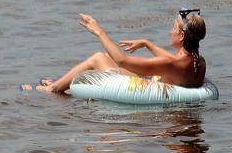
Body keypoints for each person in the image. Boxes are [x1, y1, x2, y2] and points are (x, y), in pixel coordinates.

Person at [26, 9, 206, 94]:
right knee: (104, 59)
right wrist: (146, 43)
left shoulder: (172, 64)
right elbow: (172, 61)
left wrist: (99, 31)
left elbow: (121, 60)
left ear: (181, 36)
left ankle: (53, 88)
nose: (170, 32)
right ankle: (62, 83)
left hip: (143, 89)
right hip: (157, 83)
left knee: (98, 58)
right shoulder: (199, 61)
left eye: (173, 29)